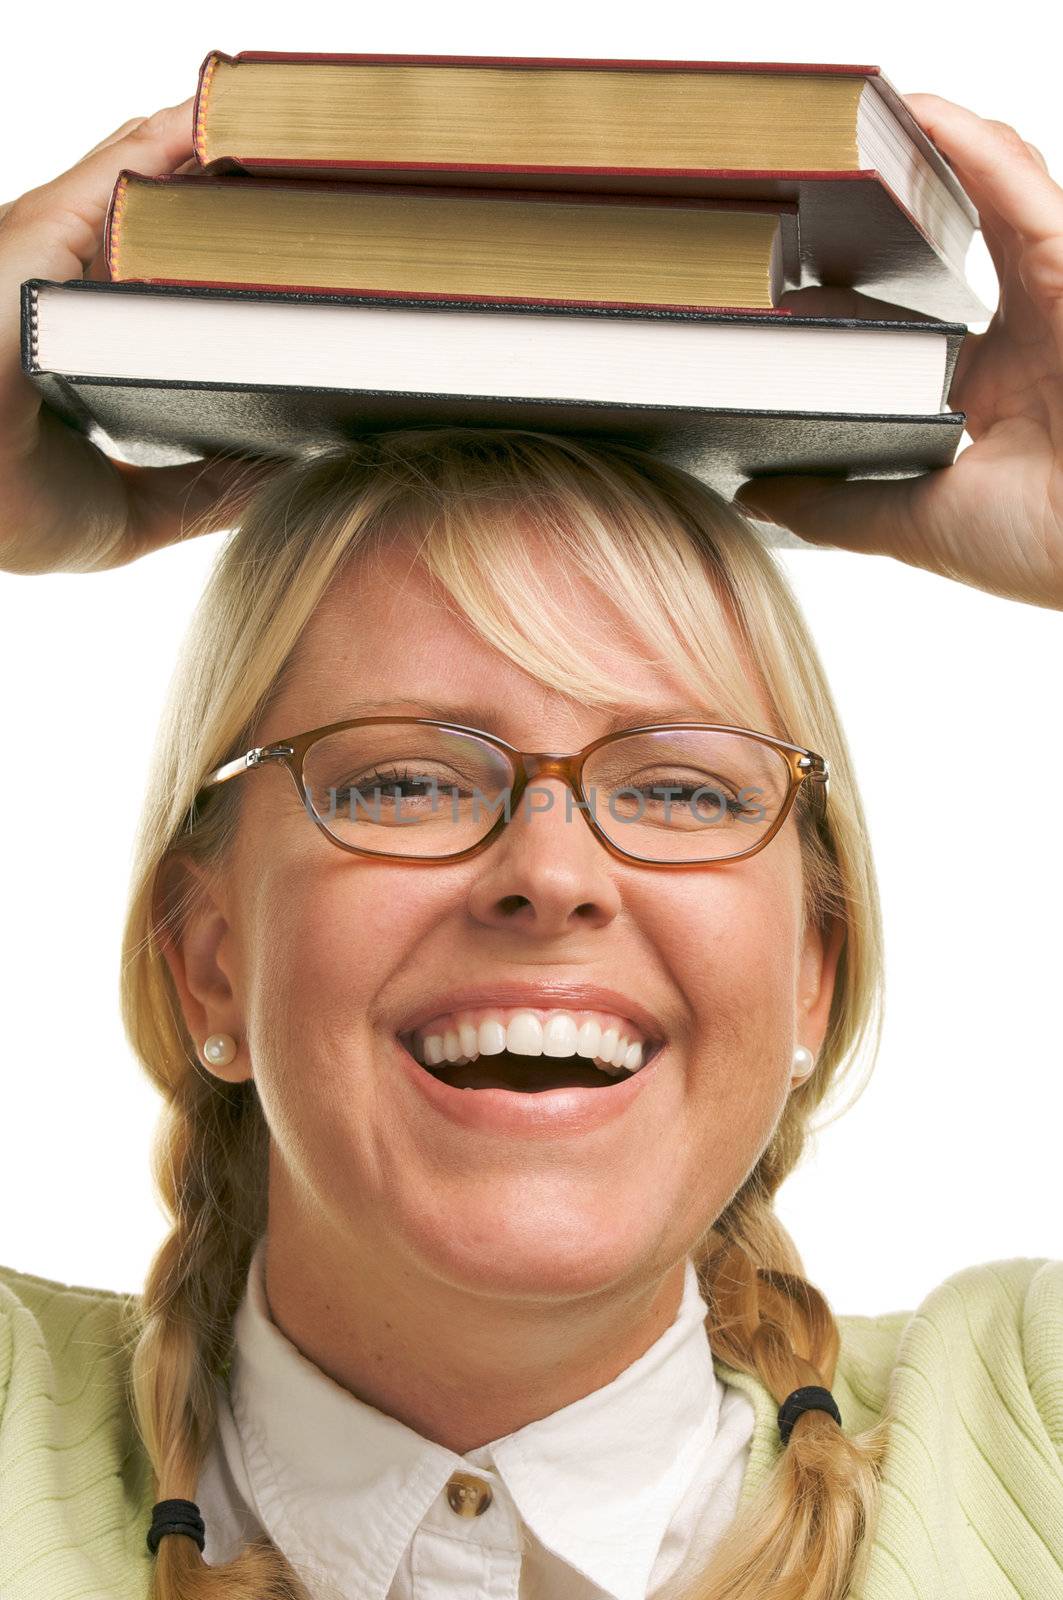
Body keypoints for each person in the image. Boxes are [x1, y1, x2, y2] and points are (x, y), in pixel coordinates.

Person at [0, 90, 1060, 1600]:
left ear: (816, 969)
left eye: (683, 791)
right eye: (404, 783)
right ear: (209, 964)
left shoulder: (1034, 1422)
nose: (551, 873)